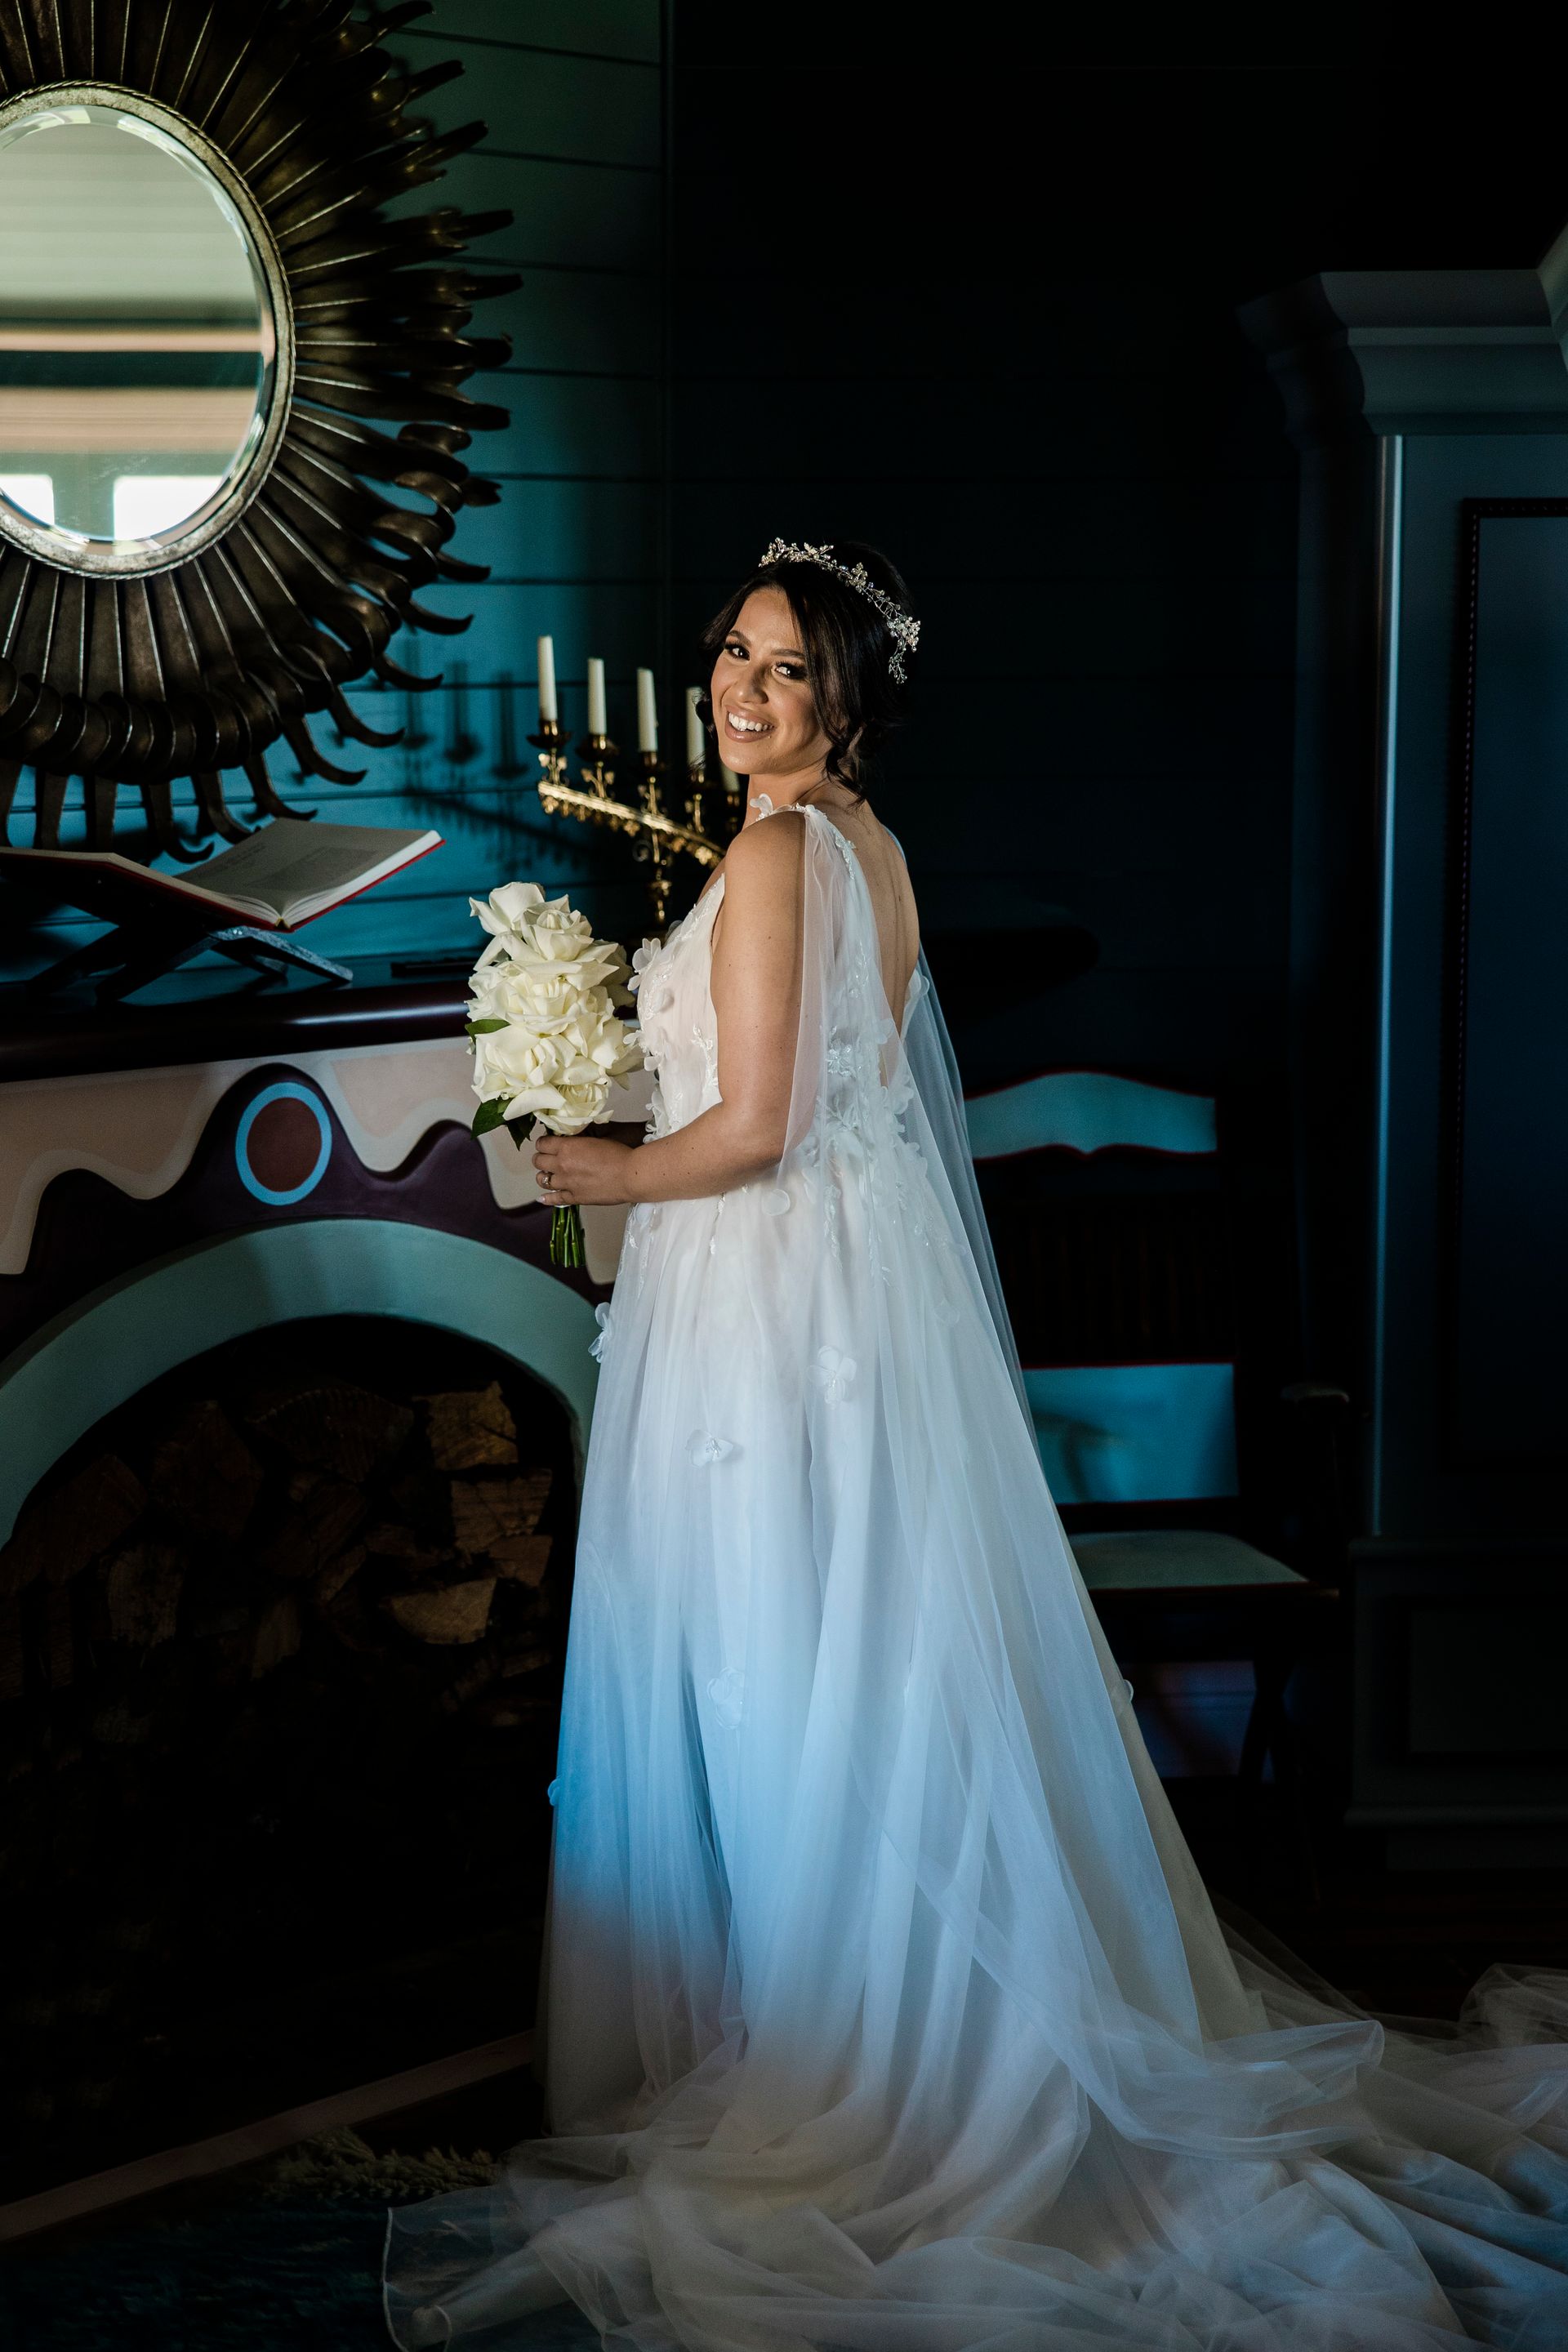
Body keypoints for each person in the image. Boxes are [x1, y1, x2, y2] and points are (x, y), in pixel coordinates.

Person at [384, 541, 1568, 2350]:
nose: (742, 689)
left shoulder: (780, 850)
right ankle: (873, 2010)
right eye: (732, 656)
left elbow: (764, 1126)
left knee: (785, 1666)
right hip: (835, 1307)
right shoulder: (869, 849)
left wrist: (606, 1160)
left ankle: (846, 2055)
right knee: (855, 1665)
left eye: (784, 669)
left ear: (851, 700)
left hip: (773, 1305)